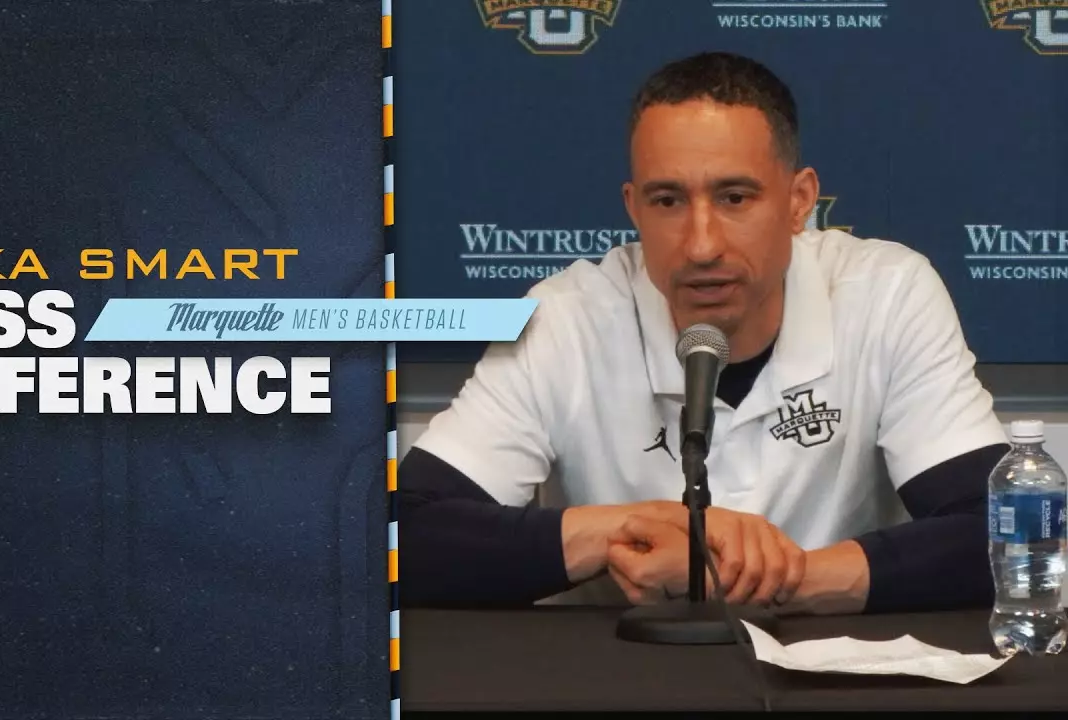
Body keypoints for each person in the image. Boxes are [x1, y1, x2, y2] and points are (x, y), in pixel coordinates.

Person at [398, 51, 1009, 615]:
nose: (701, 246)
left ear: (800, 200)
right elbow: (404, 537)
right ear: (633, 208)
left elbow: (1010, 533)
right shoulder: (565, 317)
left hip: (826, 673)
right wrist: (636, 526)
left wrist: (771, 579)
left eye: (735, 197)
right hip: (613, 671)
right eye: (667, 201)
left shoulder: (886, 293)